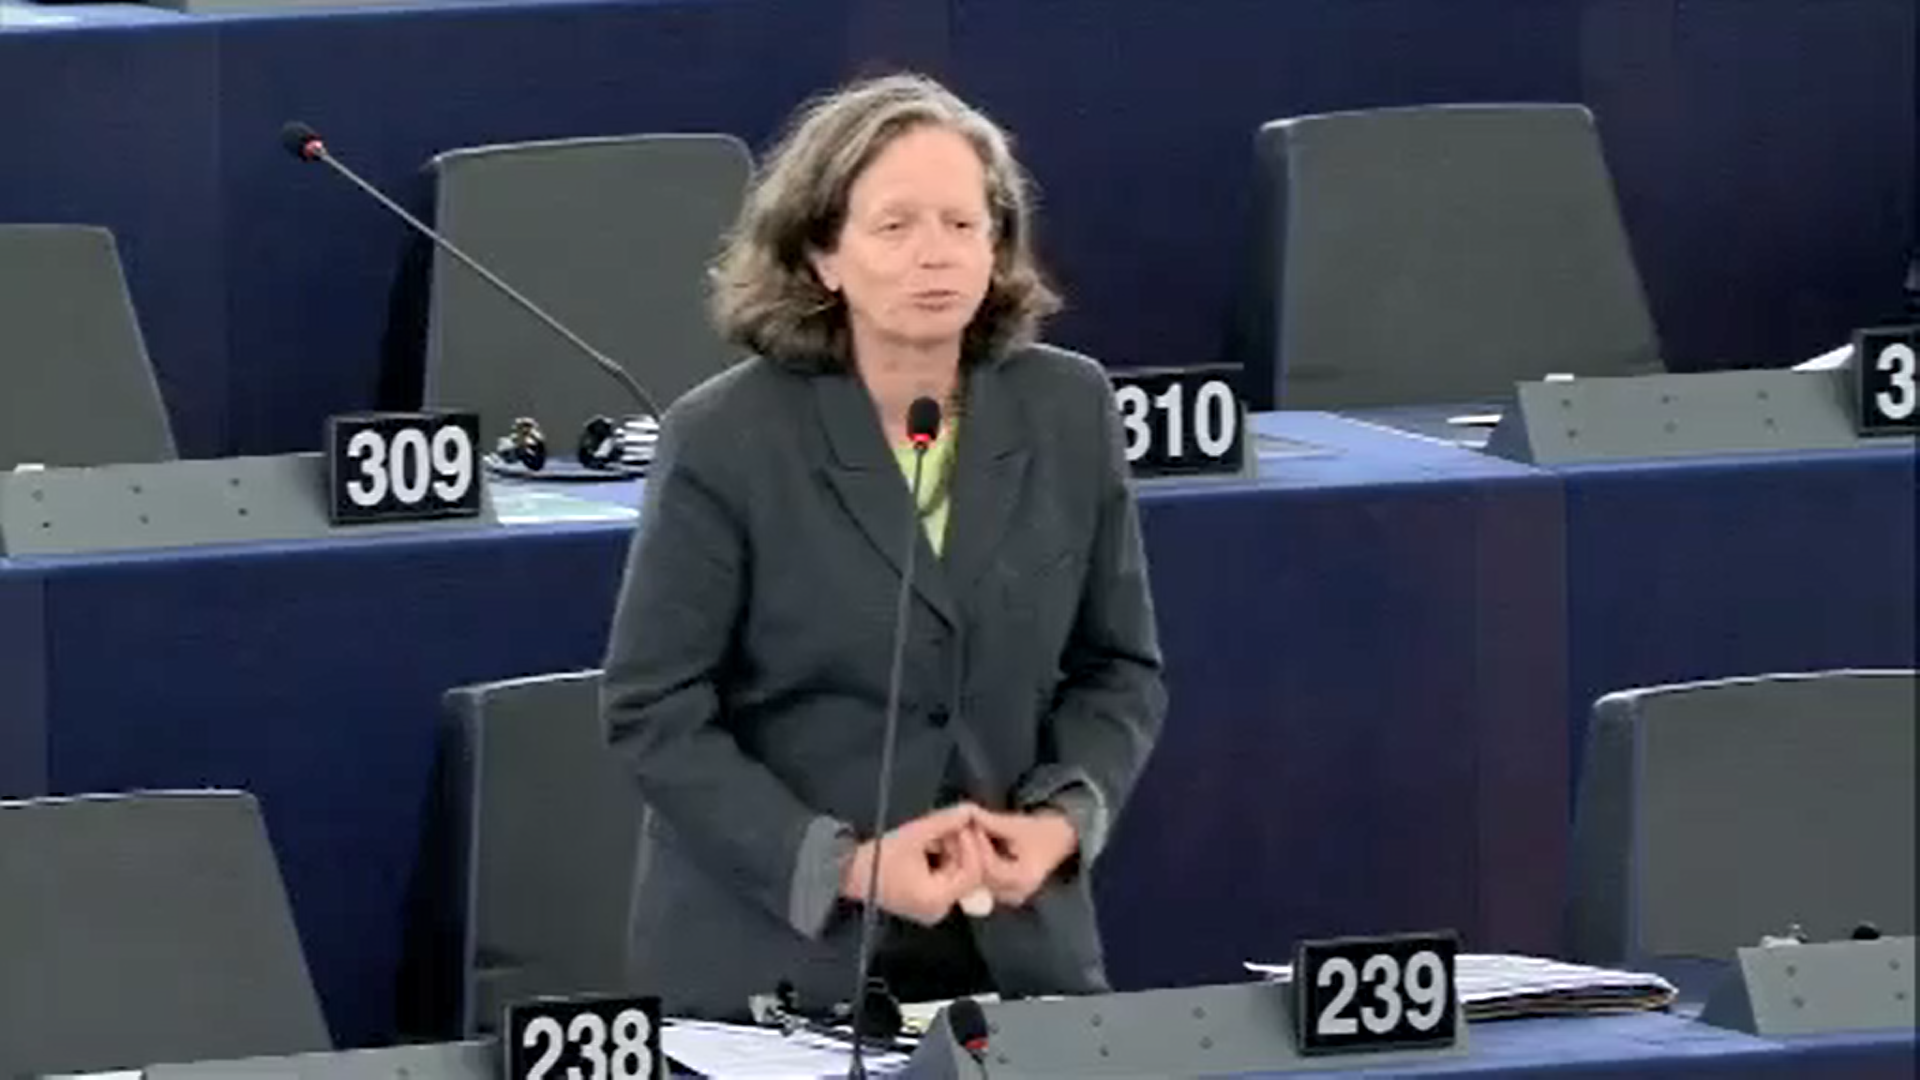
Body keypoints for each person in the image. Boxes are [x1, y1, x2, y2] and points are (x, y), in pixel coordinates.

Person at [601, 72, 1166, 1020]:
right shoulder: (725, 438)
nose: (933, 254)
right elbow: (652, 710)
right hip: (780, 959)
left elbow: (1119, 670)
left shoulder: (1069, 408)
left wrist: (1062, 820)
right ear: (822, 254)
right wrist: (846, 865)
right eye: (894, 226)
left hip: (1012, 944)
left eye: (961, 224)